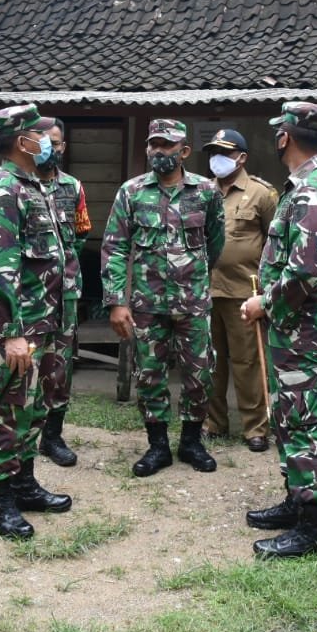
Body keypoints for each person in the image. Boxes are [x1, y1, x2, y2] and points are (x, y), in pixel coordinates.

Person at [242, 102, 317, 558]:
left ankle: (311, 528)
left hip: (302, 328)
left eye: (277, 133)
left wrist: (263, 303)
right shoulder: (307, 185)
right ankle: (295, 500)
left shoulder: (311, 194)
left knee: (303, 421)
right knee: (289, 416)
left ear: (285, 137)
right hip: (294, 329)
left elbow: (304, 275)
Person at [0, 103, 74, 540]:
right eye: (38, 133)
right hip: (19, 328)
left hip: (47, 321)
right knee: (10, 412)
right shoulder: (5, 192)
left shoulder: (38, 187)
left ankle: (25, 483)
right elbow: (1, 270)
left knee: (35, 409)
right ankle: (0, 502)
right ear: (22, 142)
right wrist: (11, 333)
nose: (46, 140)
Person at [102, 119, 226, 476]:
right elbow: (114, 247)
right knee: (149, 375)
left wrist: (194, 276)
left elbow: (216, 242)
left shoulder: (205, 191)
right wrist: (116, 301)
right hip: (147, 305)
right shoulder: (132, 192)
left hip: (193, 304)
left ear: (184, 151)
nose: (158, 151)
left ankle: (191, 442)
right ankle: (157, 447)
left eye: (166, 146)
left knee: (200, 374)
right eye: (153, 145)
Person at [202, 128, 279, 452]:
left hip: (243, 291)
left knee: (247, 361)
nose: (216, 159)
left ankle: (255, 428)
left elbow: (276, 243)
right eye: (213, 152)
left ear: (242, 158)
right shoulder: (202, 191)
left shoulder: (262, 194)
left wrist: (268, 291)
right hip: (205, 290)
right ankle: (214, 422)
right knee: (210, 361)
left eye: (224, 152)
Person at [35, 118, 92, 467]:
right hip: (29, 295)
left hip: (65, 292)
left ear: (63, 148)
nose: (49, 149)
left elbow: (82, 234)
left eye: (54, 143)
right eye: (42, 142)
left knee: (60, 365)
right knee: (25, 364)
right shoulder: (18, 186)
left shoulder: (73, 188)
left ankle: (52, 436)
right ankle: (22, 432)